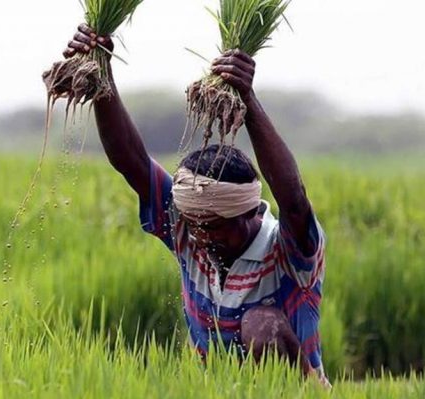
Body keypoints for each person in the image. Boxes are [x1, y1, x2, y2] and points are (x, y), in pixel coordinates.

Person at [61, 24, 329, 385]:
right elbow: (131, 160)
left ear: (250, 213)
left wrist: (248, 100)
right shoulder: (189, 228)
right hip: (214, 389)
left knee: (258, 324)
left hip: (293, 390)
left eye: (214, 227)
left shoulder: (288, 251)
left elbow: (294, 200)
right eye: (195, 224)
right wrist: (101, 72)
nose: (201, 238)